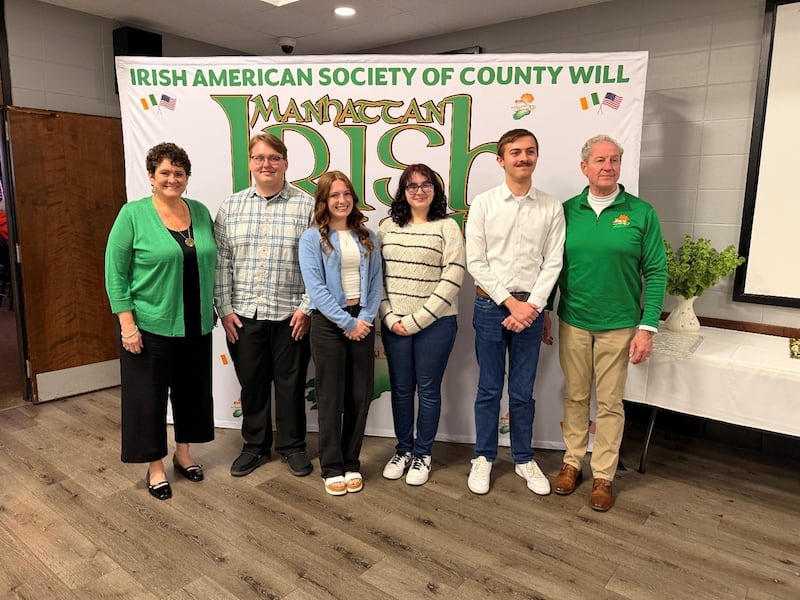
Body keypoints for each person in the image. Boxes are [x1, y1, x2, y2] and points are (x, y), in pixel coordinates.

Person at [547, 134, 667, 512]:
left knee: (611, 402)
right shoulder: (567, 211)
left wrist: (647, 327)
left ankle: (603, 476)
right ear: (584, 167)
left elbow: (657, 271)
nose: (607, 166)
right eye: (600, 160)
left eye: (614, 160)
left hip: (620, 324)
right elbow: (552, 266)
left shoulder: (641, 213)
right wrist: (547, 311)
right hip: (574, 320)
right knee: (575, 396)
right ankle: (572, 463)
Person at [105, 142, 216, 501]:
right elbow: (115, 273)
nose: (172, 179)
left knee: (192, 393)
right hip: (149, 325)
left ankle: (183, 454)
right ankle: (155, 466)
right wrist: (127, 325)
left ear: (187, 177)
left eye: (179, 173)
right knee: (147, 399)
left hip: (196, 322)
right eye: (165, 172)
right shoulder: (133, 215)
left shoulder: (199, 212)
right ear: (151, 176)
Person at [465, 128, 565, 496]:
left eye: (530, 151)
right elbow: (476, 261)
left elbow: (553, 262)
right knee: (489, 388)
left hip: (532, 309)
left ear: (536, 156)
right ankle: (484, 456)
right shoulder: (484, 204)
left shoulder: (551, 206)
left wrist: (532, 307)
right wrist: (512, 304)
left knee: (523, 391)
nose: (523, 158)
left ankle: (523, 458)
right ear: (501, 160)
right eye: (516, 152)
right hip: (491, 306)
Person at [214, 132, 315, 478]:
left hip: (292, 316)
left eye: (274, 158)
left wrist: (307, 307)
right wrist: (225, 309)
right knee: (252, 385)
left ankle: (292, 446)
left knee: (291, 385)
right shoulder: (231, 207)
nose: (266, 164)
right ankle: (255, 446)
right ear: (250, 163)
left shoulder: (307, 206)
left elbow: (319, 263)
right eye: (259, 157)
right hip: (244, 315)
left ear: (285, 163)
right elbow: (222, 262)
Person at [378, 164, 466, 486]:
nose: (419, 190)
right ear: (402, 192)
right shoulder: (386, 227)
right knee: (401, 390)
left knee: (428, 390)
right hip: (394, 325)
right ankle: (403, 449)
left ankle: (423, 453)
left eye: (426, 184)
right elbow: (377, 278)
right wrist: (389, 316)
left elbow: (453, 276)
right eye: (411, 185)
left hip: (436, 324)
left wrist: (418, 320)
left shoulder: (448, 228)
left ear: (435, 190)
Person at [298, 171, 382, 496]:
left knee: (360, 395)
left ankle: (351, 462)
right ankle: (332, 466)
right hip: (328, 324)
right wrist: (346, 323)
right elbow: (316, 289)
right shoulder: (311, 239)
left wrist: (365, 319)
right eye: (334, 195)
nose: (342, 200)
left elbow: (375, 282)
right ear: (324, 200)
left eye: (346, 194)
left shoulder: (368, 236)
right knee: (330, 397)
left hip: (363, 321)